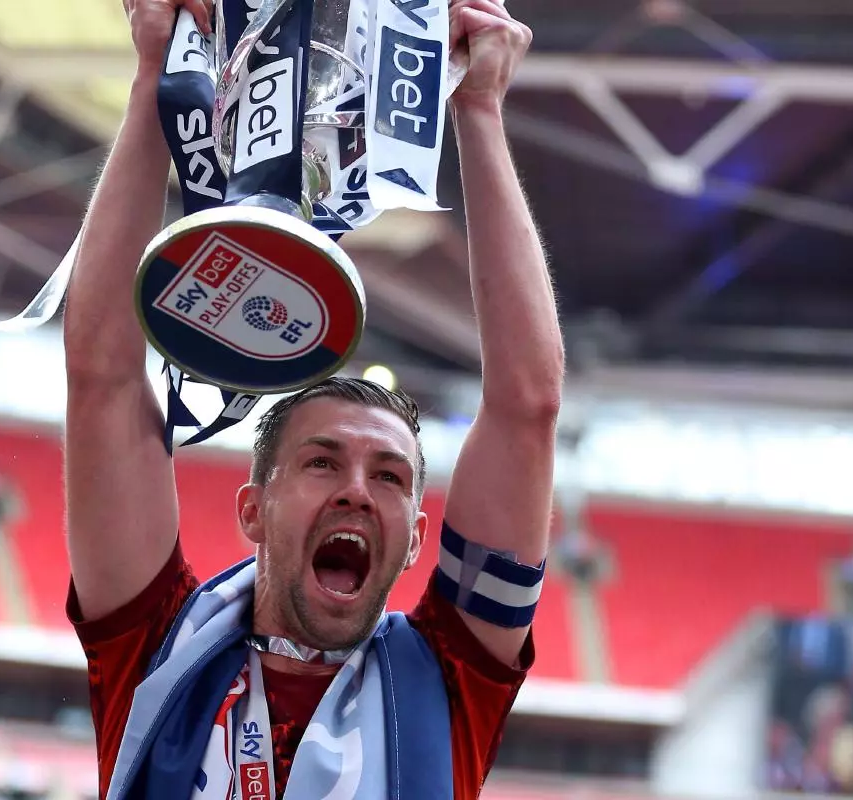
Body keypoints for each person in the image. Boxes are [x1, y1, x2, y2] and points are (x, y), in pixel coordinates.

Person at [61, 0, 562, 794]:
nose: (358, 491)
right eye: (323, 462)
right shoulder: (157, 648)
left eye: (390, 476)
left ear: (415, 538)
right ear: (253, 509)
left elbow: (527, 408)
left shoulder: (452, 677)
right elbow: (101, 378)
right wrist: (156, 76)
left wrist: (480, 109)